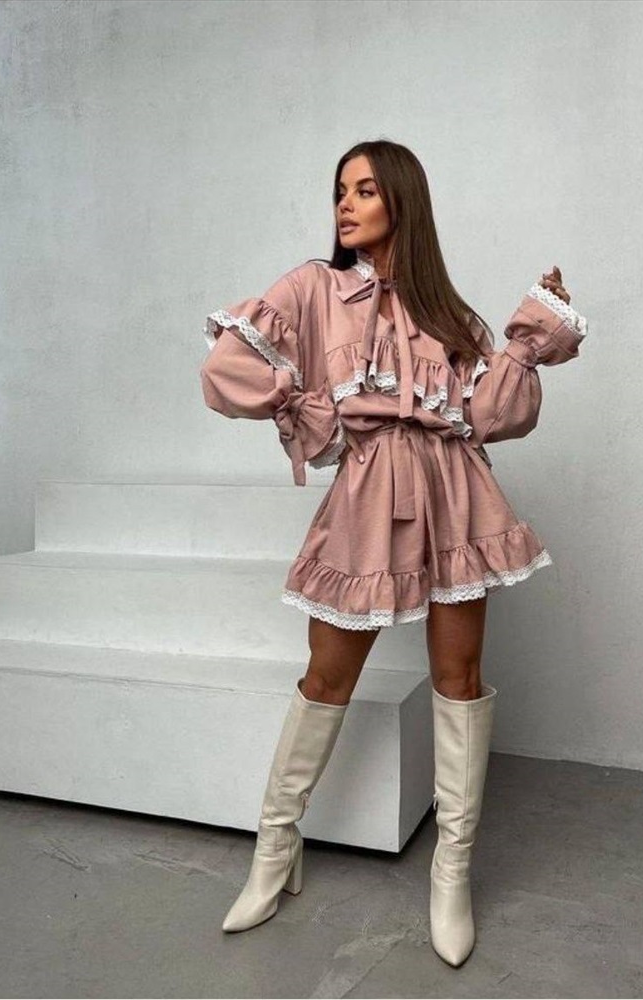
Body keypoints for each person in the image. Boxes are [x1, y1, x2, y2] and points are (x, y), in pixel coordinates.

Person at [199, 139, 587, 967]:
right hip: (370, 495)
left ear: (401, 200)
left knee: (460, 679)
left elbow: (489, 418)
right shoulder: (313, 288)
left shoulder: (451, 314)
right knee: (326, 678)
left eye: (366, 190)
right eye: (340, 190)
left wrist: (528, 340)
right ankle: (275, 848)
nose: (346, 204)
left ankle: (451, 875)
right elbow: (227, 370)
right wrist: (302, 400)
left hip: (456, 496)